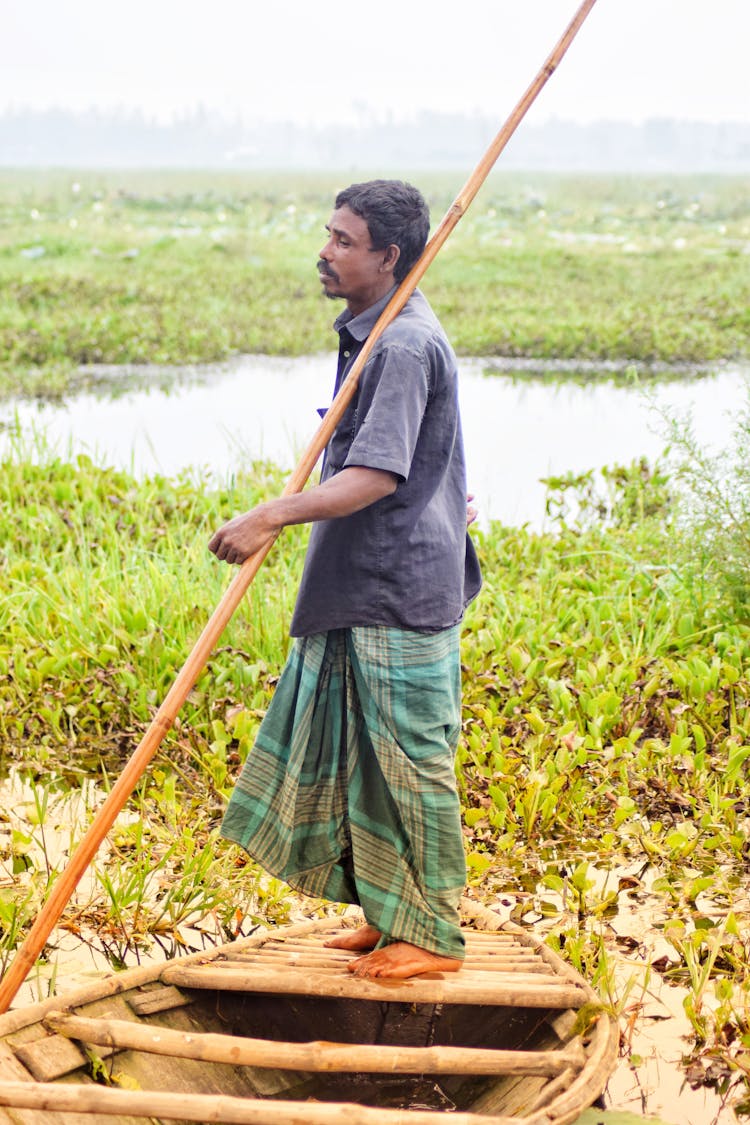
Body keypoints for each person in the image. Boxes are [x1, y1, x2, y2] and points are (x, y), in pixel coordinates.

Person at [209, 179, 481, 979]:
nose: (324, 252)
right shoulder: (380, 330)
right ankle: (392, 910)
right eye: (327, 234)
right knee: (365, 752)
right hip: (371, 576)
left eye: (342, 240)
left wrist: (272, 512)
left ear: (387, 256)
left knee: (408, 758)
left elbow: (377, 474)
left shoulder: (401, 344)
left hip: (396, 588)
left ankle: (431, 936)